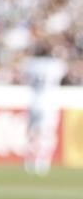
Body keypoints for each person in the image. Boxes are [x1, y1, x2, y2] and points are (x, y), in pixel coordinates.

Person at [22, 45, 68, 176]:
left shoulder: (31, 64)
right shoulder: (56, 64)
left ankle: (30, 160)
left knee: (32, 133)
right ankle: (43, 161)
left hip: (34, 101)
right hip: (49, 104)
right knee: (47, 133)